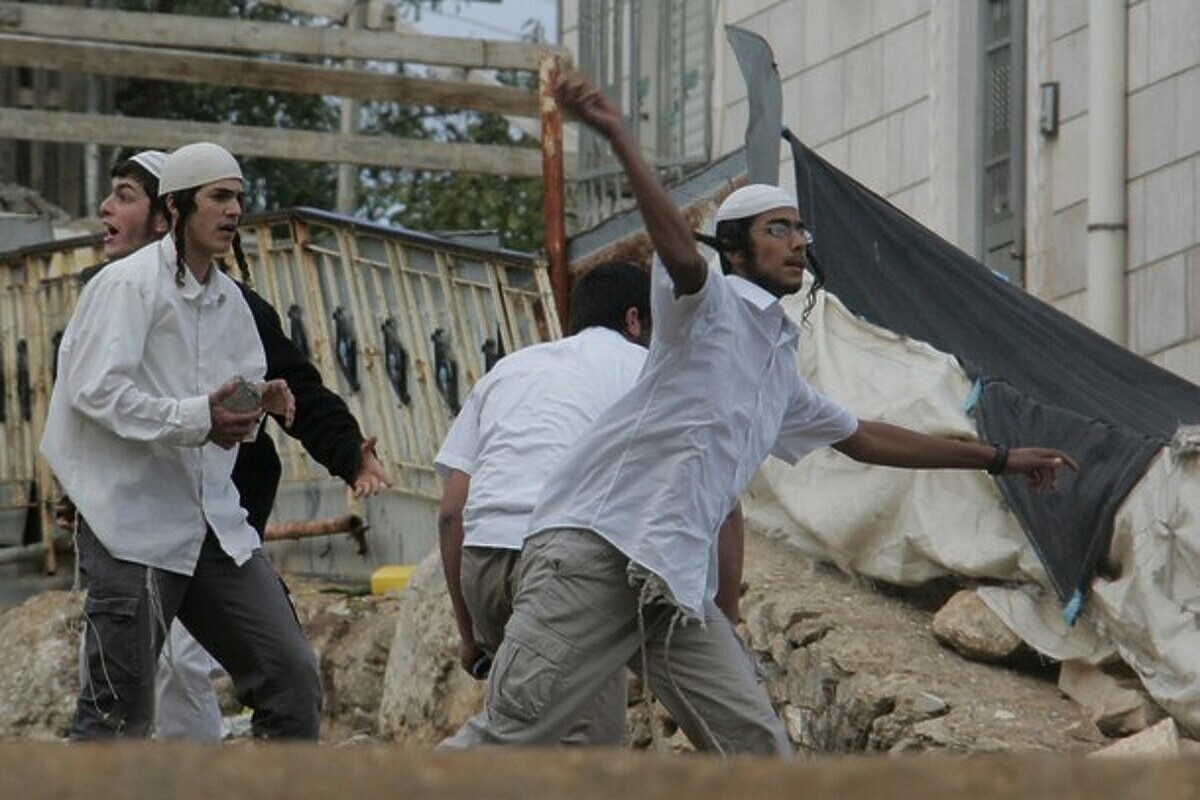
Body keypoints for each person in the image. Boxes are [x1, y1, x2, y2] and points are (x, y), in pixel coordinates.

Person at [463, 72, 1079, 756]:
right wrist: (617, 136)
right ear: (734, 250)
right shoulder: (707, 309)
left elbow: (869, 438)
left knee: (758, 750)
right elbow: (673, 246)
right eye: (777, 229)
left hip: (669, 586)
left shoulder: (777, 370)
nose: (798, 243)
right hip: (594, 555)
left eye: (800, 230)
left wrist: (999, 458)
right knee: (510, 736)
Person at [60, 147, 392, 741]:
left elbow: (235, 398)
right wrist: (199, 417)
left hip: (213, 526)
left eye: (238, 197)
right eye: (219, 196)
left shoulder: (234, 303)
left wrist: (260, 402)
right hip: (129, 526)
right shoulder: (124, 288)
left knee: (291, 680)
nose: (234, 209)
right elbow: (95, 393)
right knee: (116, 714)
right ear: (177, 207)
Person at [436, 262, 651, 746]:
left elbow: (452, 509)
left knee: (528, 727)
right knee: (580, 750)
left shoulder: (508, 369)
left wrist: (469, 635)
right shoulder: (642, 367)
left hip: (486, 560)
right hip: (565, 564)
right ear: (634, 320)